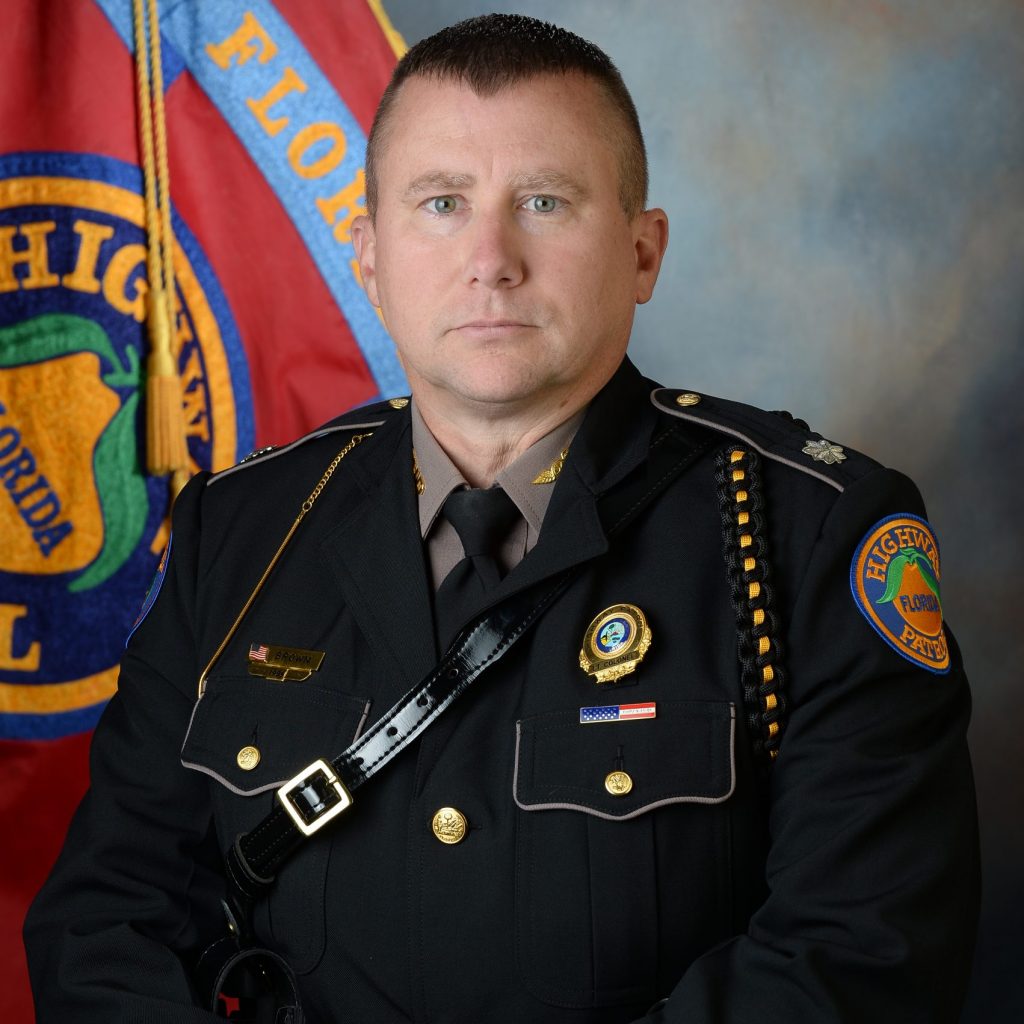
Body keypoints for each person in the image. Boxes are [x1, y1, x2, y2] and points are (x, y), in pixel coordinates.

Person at [25, 13, 979, 1023]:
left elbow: (861, 959)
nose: (491, 259)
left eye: (544, 202)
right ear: (368, 258)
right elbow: (108, 920)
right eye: (442, 203)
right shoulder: (240, 532)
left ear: (643, 252)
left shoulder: (811, 538)